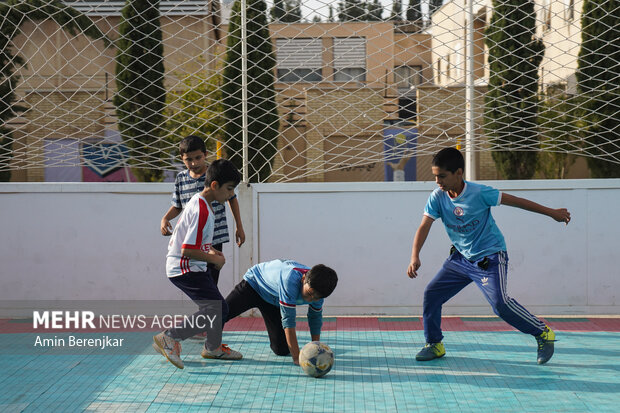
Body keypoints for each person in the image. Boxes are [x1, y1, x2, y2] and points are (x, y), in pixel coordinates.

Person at [407, 147, 571, 365]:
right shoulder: (437, 196)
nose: (438, 182)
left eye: (442, 176)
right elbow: (424, 225)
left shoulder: (480, 193)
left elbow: (517, 202)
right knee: (432, 294)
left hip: (489, 257)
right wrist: (415, 256)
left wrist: (552, 213)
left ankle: (543, 333)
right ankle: (434, 344)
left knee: (500, 304)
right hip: (460, 259)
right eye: (435, 176)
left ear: (458, 173)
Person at [153, 159, 244, 369]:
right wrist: (215, 258)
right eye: (229, 189)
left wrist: (212, 252)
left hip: (189, 266)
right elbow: (187, 249)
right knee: (216, 309)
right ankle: (170, 337)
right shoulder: (203, 210)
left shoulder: (199, 202)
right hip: (184, 268)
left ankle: (213, 348)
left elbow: (196, 242)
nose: (231, 195)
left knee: (218, 308)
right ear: (214, 185)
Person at [160, 135, 245, 286]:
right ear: (182, 158)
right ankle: (212, 308)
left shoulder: (216, 176)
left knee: (210, 283)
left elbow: (232, 198)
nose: (194, 163)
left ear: (205, 155)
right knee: (202, 285)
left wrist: (239, 225)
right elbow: (178, 204)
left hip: (214, 238)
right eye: (189, 159)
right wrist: (165, 218)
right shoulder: (181, 179)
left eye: (198, 157)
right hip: (193, 241)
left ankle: (212, 308)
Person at [224, 259, 338, 365]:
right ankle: (211, 347)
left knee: (281, 350)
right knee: (220, 314)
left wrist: (315, 349)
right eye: (309, 294)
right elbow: (289, 321)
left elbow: (315, 319)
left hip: (273, 301)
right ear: (303, 279)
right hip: (254, 284)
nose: (310, 299)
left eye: (315, 298)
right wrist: (297, 358)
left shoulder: (319, 292)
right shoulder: (290, 280)